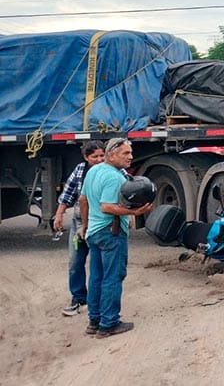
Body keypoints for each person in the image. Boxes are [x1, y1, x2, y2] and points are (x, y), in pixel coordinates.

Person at [82, 138, 152, 338]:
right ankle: (109, 323)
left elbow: (83, 199)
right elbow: (107, 206)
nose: (131, 157)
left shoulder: (93, 171)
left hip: (94, 232)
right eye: (126, 153)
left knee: (96, 277)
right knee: (113, 277)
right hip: (110, 232)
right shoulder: (114, 177)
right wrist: (135, 213)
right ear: (111, 155)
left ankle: (94, 321)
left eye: (131, 153)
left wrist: (85, 226)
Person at [53, 141, 105, 316]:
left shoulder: (111, 171)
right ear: (86, 157)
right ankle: (78, 298)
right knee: (75, 263)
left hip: (99, 225)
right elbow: (68, 194)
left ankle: (98, 302)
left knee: (99, 265)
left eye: (101, 156)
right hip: (79, 224)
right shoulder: (80, 170)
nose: (98, 160)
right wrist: (59, 214)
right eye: (94, 157)